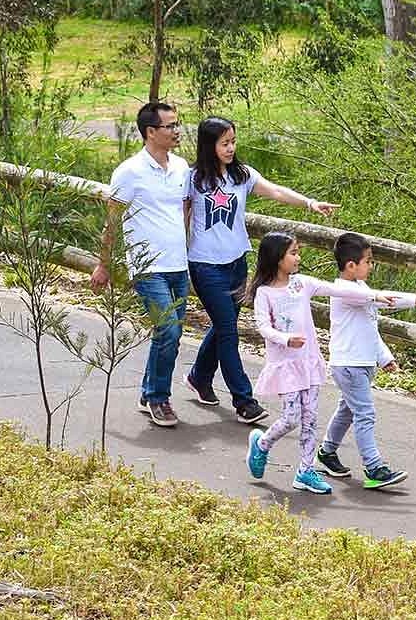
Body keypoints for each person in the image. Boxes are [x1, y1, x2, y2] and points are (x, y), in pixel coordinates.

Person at [183, 115, 338, 424]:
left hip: (237, 262)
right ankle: (244, 400)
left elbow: (276, 191)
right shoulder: (192, 179)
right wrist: (178, 258)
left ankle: (199, 377)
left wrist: (309, 203)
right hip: (204, 264)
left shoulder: (241, 175)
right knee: (228, 329)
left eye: (233, 142)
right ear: (208, 145)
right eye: (224, 143)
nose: (230, 148)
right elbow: (182, 218)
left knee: (223, 323)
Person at [244, 232, 399, 495]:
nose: (298, 257)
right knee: (291, 418)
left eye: (297, 251)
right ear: (276, 258)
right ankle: (262, 444)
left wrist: (375, 296)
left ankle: (306, 471)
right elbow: (262, 326)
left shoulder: (302, 283)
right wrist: (285, 339)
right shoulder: (264, 293)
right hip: (286, 364)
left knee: (310, 419)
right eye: (293, 252)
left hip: (309, 362)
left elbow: (338, 288)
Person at [315, 231, 416, 488]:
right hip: (349, 365)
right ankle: (374, 468)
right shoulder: (342, 290)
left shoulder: (362, 289)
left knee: (348, 411)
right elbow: (374, 298)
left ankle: (326, 452)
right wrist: (387, 297)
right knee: (365, 413)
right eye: (368, 261)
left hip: (360, 363)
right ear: (351, 266)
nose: (371, 266)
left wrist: (384, 357)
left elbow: (370, 328)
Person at [90, 101, 189, 428]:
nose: (176, 131)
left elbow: (185, 212)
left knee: (168, 334)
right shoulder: (129, 172)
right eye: (170, 126)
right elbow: (112, 223)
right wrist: (103, 265)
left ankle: (148, 391)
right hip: (147, 266)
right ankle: (160, 398)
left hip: (178, 264)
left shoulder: (181, 168)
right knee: (169, 329)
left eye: (177, 124)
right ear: (150, 132)